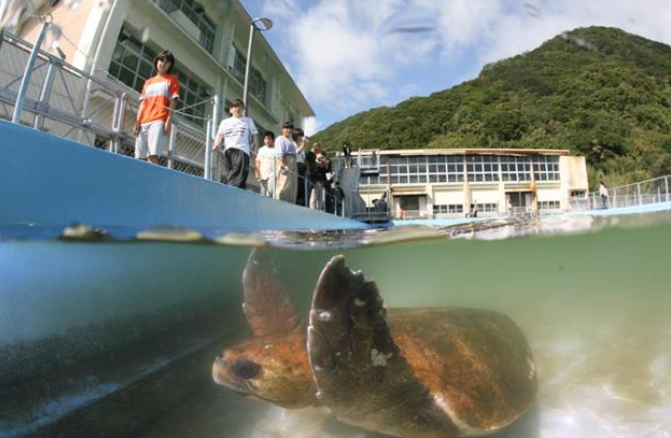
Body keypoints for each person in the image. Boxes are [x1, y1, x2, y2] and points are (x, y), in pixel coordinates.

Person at [133, 50, 180, 165]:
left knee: (152, 156)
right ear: (156, 61)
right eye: (161, 60)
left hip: (159, 120)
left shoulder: (172, 80)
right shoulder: (148, 82)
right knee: (139, 157)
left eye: (167, 62)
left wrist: (168, 120)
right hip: (143, 121)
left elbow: (173, 101)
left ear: (170, 65)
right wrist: (137, 121)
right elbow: (143, 103)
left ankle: (152, 176)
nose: (163, 64)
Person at [213, 99, 259, 189]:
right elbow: (220, 134)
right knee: (232, 173)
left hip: (242, 150)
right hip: (228, 151)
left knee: (238, 173)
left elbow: (255, 135)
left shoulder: (247, 120)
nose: (237, 109)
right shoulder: (225, 122)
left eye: (240, 107)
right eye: (235, 107)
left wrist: (255, 149)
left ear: (243, 110)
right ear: (230, 110)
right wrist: (216, 144)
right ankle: (237, 193)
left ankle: (230, 191)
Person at [275, 122, 298, 203]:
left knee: (292, 186)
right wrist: (282, 164)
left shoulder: (291, 141)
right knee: (283, 184)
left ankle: (290, 204)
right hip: (286, 160)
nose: (289, 130)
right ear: (282, 129)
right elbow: (280, 153)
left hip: (293, 161)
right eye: (286, 128)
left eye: (290, 128)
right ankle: (279, 203)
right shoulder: (280, 139)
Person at [255, 131, 276, 197]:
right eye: (266, 139)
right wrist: (257, 173)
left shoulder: (276, 150)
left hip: (273, 175)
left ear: (273, 140)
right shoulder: (261, 150)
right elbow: (258, 161)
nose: (267, 140)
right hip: (263, 175)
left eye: (269, 139)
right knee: (263, 193)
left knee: (270, 192)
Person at [293, 128, 307, 206]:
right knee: (298, 188)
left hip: (302, 169)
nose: (301, 137)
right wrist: (303, 145)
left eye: (302, 135)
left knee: (302, 189)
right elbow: (295, 153)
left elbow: (303, 158)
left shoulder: (301, 146)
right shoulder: (293, 144)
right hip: (296, 167)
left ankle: (301, 204)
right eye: (300, 136)